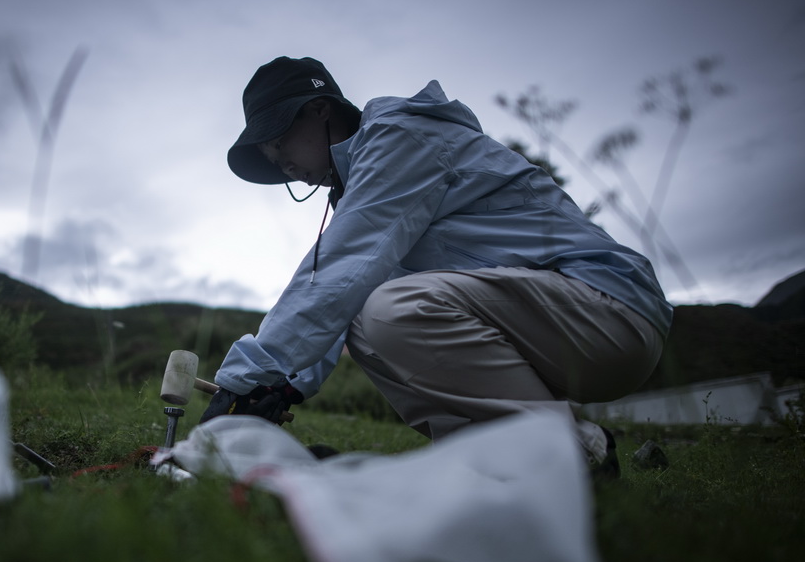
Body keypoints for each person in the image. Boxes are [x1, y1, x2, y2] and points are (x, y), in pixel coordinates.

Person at [200, 56, 670, 476]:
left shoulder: (399, 138)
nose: (281, 163)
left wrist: (244, 381)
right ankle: (514, 464)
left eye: (280, 141)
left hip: (608, 310)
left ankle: (559, 454)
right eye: (271, 158)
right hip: (552, 325)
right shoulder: (369, 183)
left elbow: (341, 266)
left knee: (395, 309)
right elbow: (344, 293)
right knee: (365, 324)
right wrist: (285, 387)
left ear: (320, 109)